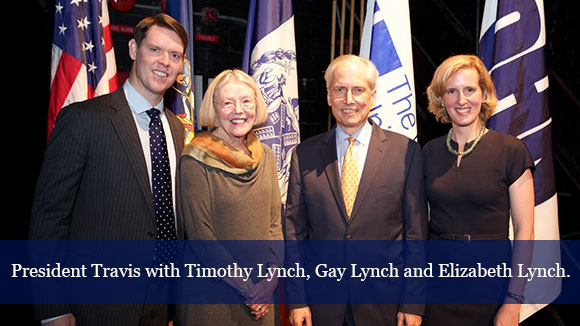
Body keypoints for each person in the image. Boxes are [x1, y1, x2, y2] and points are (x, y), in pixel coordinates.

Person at [29, 14, 188, 326]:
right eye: (155, 50)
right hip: (99, 303)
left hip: (164, 300)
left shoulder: (177, 129)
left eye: (175, 55)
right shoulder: (84, 119)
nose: (164, 62)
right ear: (133, 48)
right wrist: (53, 308)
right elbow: (49, 219)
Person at [284, 54, 428, 326]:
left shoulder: (405, 152)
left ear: (372, 97)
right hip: (320, 305)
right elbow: (294, 235)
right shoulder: (304, 155)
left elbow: (415, 234)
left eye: (358, 90)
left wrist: (413, 302)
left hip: (385, 305)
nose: (349, 99)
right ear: (328, 97)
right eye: (340, 90)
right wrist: (297, 299)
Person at [422, 54, 535, 326]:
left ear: (483, 93)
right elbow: (419, 223)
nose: (462, 100)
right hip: (436, 287)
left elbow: (525, 231)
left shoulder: (511, 151)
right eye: (452, 91)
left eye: (470, 89)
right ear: (440, 99)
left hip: (491, 286)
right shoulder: (429, 153)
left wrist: (513, 302)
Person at [179, 69, 283, 325]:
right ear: (214, 109)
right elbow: (201, 236)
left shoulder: (266, 155)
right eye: (228, 103)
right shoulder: (195, 158)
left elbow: (275, 226)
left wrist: (268, 283)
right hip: (213, 299)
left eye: (246, 101)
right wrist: (249, 289)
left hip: (262, 300)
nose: (239, 110)